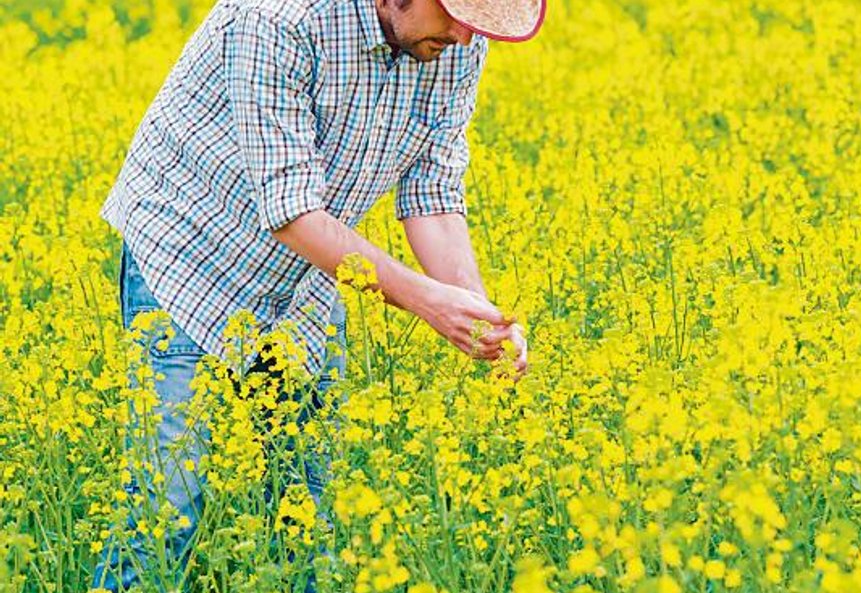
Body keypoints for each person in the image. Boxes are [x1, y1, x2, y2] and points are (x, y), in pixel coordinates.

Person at [92, 0, 544, 589]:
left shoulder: (454, 41)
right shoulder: (277, 20)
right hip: (189, 258)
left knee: (305, 517)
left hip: (305, 279)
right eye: (454, 12)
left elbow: (432, 189)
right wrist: (428, 304)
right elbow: (293, 213)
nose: (465, 34)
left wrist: (477, 310)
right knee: (167, 508)